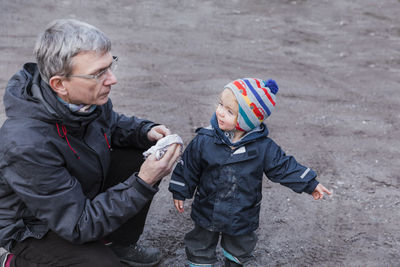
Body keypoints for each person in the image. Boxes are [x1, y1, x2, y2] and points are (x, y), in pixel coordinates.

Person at [0, 19, 181, 267]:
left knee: (144, 153)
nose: (112, 79)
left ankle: (115, 243)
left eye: (110, 66)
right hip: (33, 227)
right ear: (59, 84)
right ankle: (13, 260)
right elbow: (77, 224)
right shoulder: (26, 143)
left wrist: (146, 131)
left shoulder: (83, 100)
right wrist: (143, 182)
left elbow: (113, 125)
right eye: (98, 73)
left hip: (70, 199)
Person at [168, 78, 332, 267]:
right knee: (200, 241)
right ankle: (199, 262)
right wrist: (180, 189)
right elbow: (188, 166)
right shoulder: (205, 139)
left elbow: (283, 166)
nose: (220, 112)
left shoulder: (263, 148)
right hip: (208, 206)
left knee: (240, 245)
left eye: (230, 111)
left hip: (242, 211)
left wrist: (310, 183)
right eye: (221, 104)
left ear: (248, 120)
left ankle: (235, 261)